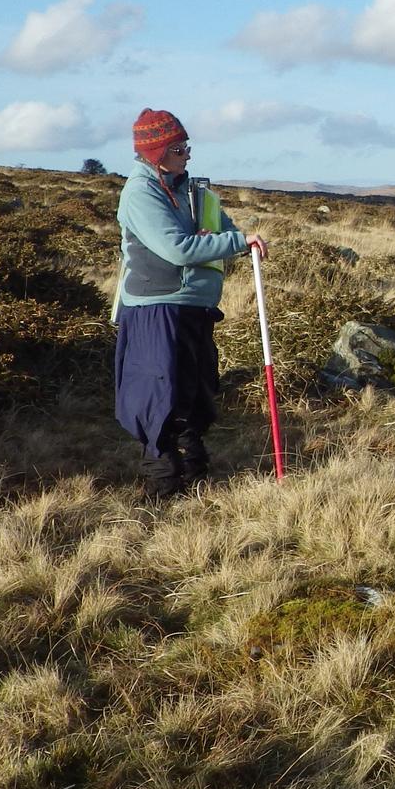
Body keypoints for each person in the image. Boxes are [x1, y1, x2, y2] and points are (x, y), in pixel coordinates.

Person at [112, 108, 268, 498]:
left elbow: (228, 230)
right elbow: (177, 249)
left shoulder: (196, 192)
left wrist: (228, 238)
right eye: (179, 148)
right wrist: (232, 242)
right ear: (157, 152)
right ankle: (163, 483)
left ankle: (195, 471)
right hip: (156, 306)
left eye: (186, 147)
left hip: (196, 306)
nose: (187, 155)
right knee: (158, 393)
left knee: (196, 390)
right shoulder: (141, 192)